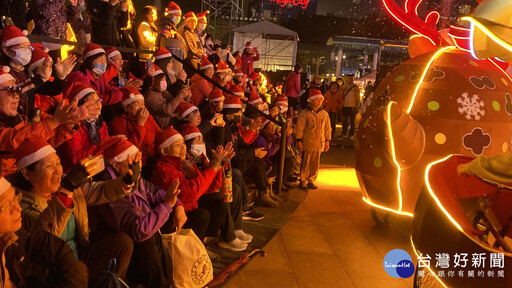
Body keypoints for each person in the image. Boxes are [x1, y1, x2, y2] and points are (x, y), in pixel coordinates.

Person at [14, 138, 137, 281]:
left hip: (79, 253)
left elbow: (99, 191)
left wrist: (126, 182)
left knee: (123, 243)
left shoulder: (67, 182)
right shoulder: (22, 204)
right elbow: (47, 237)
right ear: (27, 174)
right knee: (77, 270)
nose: (57, 170)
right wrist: (66, 189)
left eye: (58, 163)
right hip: (53, 268)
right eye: (49, 166)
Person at [89, 137, 185, 288]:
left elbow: (156, 192)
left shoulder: (134, 177)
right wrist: (168, 204)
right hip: (117, 246)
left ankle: (173, 280)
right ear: (115, 165)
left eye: (139, 160)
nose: (138, 165)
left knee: (170, 217)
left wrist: (177, 205)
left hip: (140, 236)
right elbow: (138, 230)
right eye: (133, 161)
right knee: (146, 237)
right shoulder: (107, 187)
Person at [151, 127, 248, 251]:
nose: (182, 147)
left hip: (191, 204)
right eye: (177, 145)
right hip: (174, 214)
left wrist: (220, 164)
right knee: (203, 215)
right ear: (164, 151)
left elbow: (210, 187)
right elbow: (190, 193)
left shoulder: (186, 161)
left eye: (182, 144)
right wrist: (214, 166)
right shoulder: (163, 169)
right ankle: (197, 249)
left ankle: (219, 239)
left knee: (219, 202)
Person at [0, 177, 88, 287]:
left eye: (15, 198)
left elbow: (57, 249)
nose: (18, 208)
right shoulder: (28, 207)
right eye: (6, 205)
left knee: (78, 268)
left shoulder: (20, 224)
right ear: (27, 173)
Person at [0, 65, 84, 176]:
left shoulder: (18, 118)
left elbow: (41, 142)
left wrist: (68, 125)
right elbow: (16, 141)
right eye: (10, 90)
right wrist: (55, 121)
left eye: (18, 89)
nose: (16, 95)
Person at [109, 87, 161, 177]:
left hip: (155, 159)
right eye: (137, 104)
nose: (142, 108)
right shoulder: (118, 123)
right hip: (137, 165)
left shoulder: (148, 117)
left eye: (143, 104)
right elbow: (129, 149)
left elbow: (159, 134)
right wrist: (140, 124)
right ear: (126, 107)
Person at [57, 82, 108, 173]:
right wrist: (100, 146)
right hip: (74, 173)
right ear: (80, 106)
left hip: (95, 168)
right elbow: (76, 159)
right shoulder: (72, 126)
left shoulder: (100, 123)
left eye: (98, 100)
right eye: (92, 101)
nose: (98, 104)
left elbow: (106, 150)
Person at [296, 89, 331, 190]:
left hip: (319, 142)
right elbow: (300, 127)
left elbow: (327, 128)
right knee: (305, 162)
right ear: (311, 101)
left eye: (321, 100)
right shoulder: (305, 113)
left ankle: (311, 180)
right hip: (308, 142)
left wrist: (327, 141)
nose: (319, 102)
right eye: (317, 100)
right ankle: (303, 180)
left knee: (315, 163)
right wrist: (299, 140)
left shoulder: (324, 114)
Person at [341, 75, 360, 139]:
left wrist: (356, 106)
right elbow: (341, 96)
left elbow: (358, 98)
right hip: (345, 106)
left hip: (352, 106)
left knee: (352, 121)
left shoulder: (355, 87)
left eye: (351, 78)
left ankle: (351, 134)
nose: (350, 79)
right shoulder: (344, 87)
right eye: (349, 78)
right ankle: (344, 133)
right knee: (344, 121)